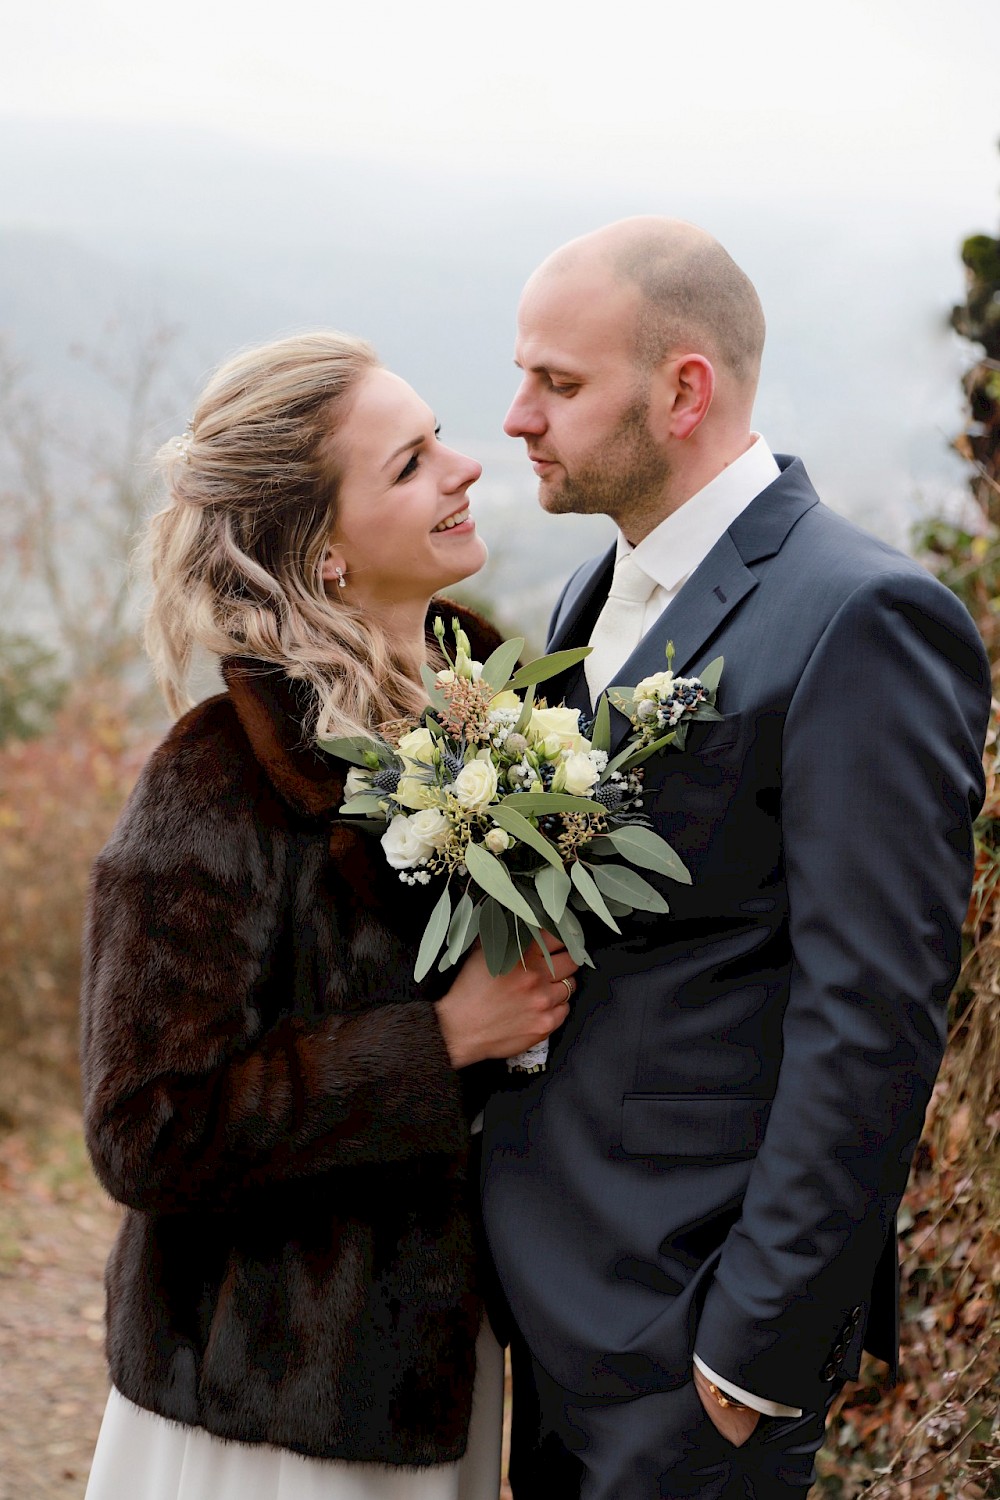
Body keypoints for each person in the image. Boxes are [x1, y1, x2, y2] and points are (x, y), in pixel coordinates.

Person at [481, 217, 991, 1499]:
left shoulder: (860, 615)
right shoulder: (586, 600)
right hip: (549, 1306)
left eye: (557, 382)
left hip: (688, 1336)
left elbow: (871, 1010)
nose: (515, 417)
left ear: (683, 389)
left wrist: (751, 1352)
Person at [80, 330, 579, 1500]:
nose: (461, 468)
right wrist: (438, 1041)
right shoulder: (216, 787)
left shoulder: (504, 724)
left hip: (446, 1374)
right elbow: (144, 1125)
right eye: (409, 464)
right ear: (325, 557)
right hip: (264, 1414)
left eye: (438, 438)